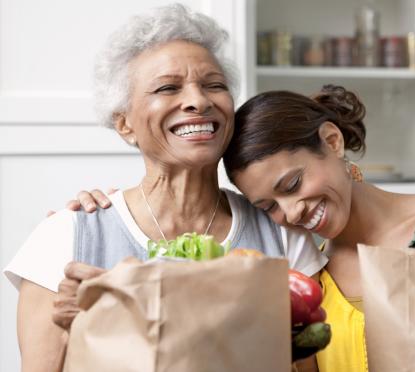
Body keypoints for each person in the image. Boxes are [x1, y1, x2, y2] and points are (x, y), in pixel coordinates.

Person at [68, 84, 415, 371]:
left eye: (293, 183)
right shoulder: (304, 279)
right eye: (268, 205)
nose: (292, 212)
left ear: (332, 141)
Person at [2, 4, 326, 372]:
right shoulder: (65, 237)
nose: (199, 101)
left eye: (214, 85)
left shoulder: (282, 234)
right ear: (124, 124)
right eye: (168, 87)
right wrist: (72, 330)